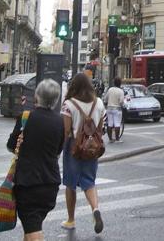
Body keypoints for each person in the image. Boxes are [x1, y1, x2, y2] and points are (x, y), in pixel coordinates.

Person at [7, 79, 64, 241]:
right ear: (55, 99)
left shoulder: (26, 118)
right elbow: (58, 151)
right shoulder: (60, 121)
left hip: (28, 183)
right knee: (32, 227)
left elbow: (11, 146)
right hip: (50, 184)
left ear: (37, 96)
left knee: (32, 227)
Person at [60, 73, 106, 234]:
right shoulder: (99, 103)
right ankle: (95, 209)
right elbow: (100, 128)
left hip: (74, 147)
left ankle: (71, 219)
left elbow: (66, 131)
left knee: (70, 183)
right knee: (89, 181)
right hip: (92, 146)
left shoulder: (68, 104)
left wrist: (59, 149)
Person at [103, 77, 125, 143]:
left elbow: (105, 99)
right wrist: (122, 105)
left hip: (109, 108)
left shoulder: (110, 90)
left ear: (114, 83)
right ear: (120, 83)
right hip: (117, 109)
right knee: (117, 124)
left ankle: (110, 139)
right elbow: (121, 102)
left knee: (110, 123)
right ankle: (117, 139)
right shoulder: (121, 91)